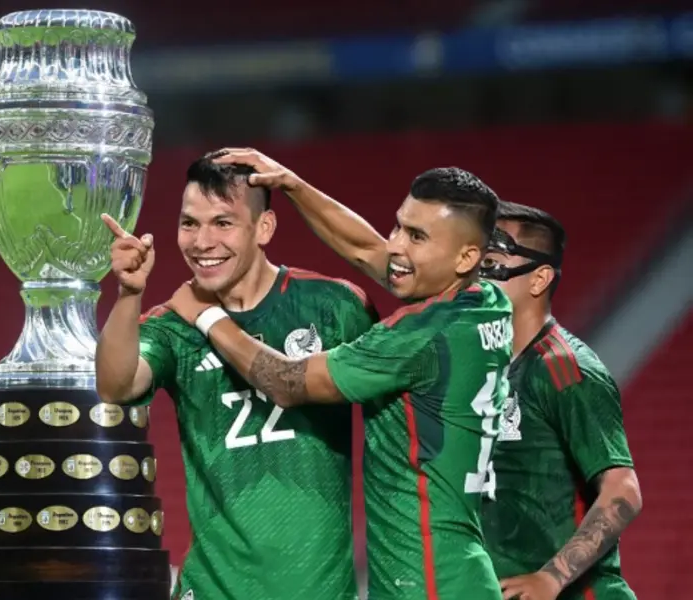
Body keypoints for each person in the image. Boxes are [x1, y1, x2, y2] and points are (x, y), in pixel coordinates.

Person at [163, 148, 514, 600]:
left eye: (418, 237)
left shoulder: (417, 337)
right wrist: (292, 184)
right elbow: (367, 249)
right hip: (458, 571)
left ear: (465, 257)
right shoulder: (488, 303)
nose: (397, 247)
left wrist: (206, 317)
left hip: (427, 583)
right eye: (398, 227)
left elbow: (287, 382)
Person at [96, 155, 378, 600]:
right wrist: (129, 293)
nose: (202, 241)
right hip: (212, 589)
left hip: (320, 588)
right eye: (189, 223)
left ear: (263, 228)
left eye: (223, 223)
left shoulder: (336, 308)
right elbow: (115, 385)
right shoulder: (171, 326)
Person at [479, 201, 641, 600]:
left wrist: (552, 577)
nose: (479, 274)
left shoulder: (567, 370)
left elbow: (624, 490)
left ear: (539, 279)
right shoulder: (487, 365)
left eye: (495, 261)